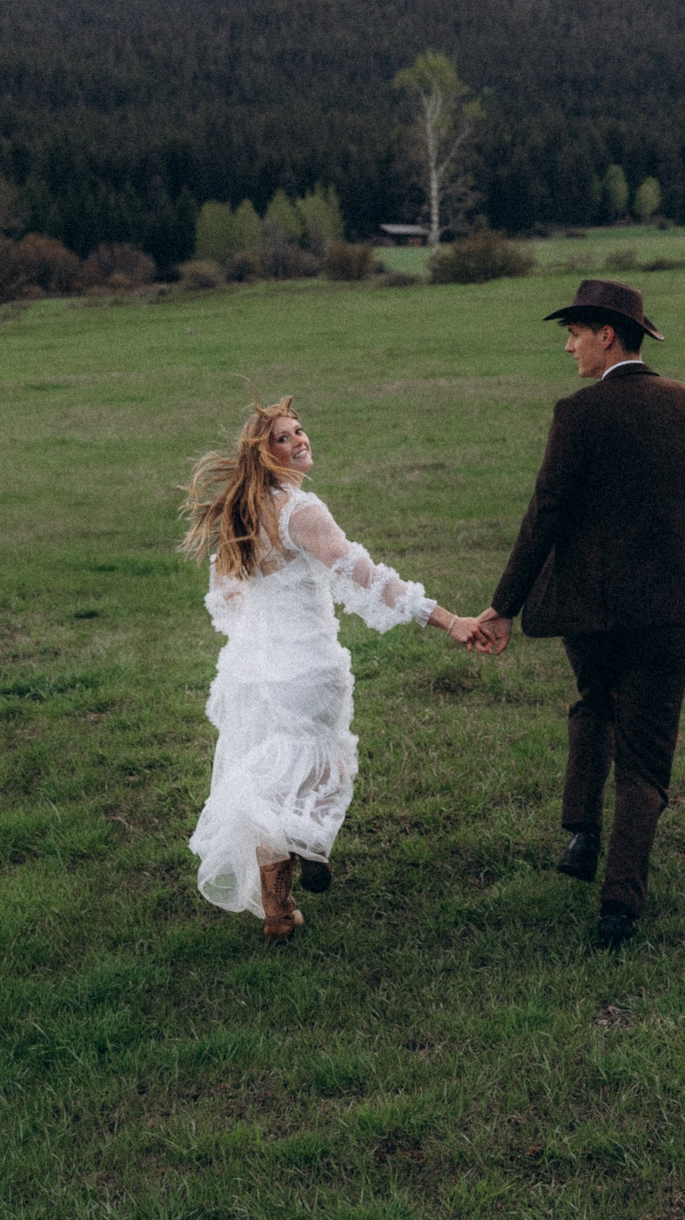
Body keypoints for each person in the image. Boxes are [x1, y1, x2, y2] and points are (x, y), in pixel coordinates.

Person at [475, 278, 685, 946]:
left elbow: (546, 514)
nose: (568, 347)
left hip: (592, 611)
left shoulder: (577, 413)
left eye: (574, 334)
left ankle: (582, 835)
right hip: (671, 610)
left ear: (607, 335)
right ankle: (619, 908)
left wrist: (503, 605)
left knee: (594, 703)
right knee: (647, 753)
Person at [180, 398, 485, 943]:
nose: (300, 440)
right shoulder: (302, 511)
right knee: (328, 770)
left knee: (274, 780)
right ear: (264, 454)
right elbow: (364, 575)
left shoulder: (243, 511)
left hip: (251, 670)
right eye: (284, 437)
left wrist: (260, 633)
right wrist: (446, 618)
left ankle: (280, 907)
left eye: (300, 431)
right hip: (305, 666)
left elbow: (227, 597)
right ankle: (304, 847)